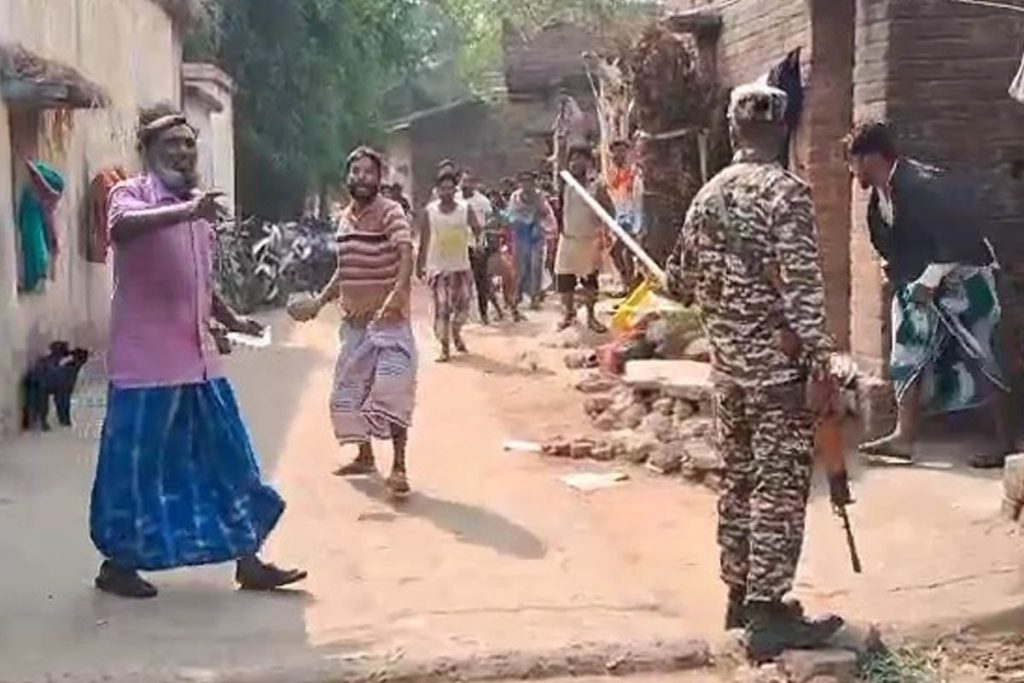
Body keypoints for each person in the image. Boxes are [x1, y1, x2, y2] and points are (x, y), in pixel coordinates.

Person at [89, 103, 306, 599]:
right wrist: (190, 210)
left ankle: (249, 559)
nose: (184, 152)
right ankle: (118, 564)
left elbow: (201, 285)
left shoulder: (197, 210)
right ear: (147, 151)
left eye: (189, 143)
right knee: (136, 471)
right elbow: (121, 227)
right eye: (172, 144)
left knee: (232, 461)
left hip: (199, 361)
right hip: (145, 368)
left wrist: (232, 320)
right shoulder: (131, 195)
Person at [665, 83, 843, 662]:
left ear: (733, 129)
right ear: (783, 128)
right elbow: (804, 292)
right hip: (778, 376)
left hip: (729, 375)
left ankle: (739, 596)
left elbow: (678, 282)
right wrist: (821, 363)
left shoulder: (707, 197)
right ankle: (768, 613)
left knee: (738, 483)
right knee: (779, 488)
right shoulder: (786, 194)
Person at [846, 122, 1011, 468]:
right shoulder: (880, 198)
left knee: (983, 353)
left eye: (854, 161)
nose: (852, 170)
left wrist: (931, 278)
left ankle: (1005, 442)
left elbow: (959, 233)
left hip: (966, 275)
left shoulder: (920, 184)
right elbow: (893, 243)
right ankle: (904, 436)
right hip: (920, 281)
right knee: (908, 349)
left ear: (871, 158)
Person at [288, 147, 417, 497]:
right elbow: (344, 269)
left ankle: (399, 467)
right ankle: (365, 456)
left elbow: (406, 252)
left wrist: (398, 292)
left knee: (391, 393)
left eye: (368, 172)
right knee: (349, 393)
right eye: (355, 171)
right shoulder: (344, 218)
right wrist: (318, 302)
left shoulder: (390, 212)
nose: (361, 178)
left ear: (379, 178)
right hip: (355, 325)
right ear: (348, 177)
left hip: (389, 324)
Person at [417, 171, 481, 361]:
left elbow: (477, 228)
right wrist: (419, 264)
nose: (446, 192)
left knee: (463, 309)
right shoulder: (430, 211)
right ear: (437, 191)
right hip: (438, 267)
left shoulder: (465, 209)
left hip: (461, 266)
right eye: (442, 189)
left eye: (449, 188)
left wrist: (477, 242)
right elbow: (424, 239)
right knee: (442, 308)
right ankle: (444, 347)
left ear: (455, 190)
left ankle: (456, 331)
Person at [555, 144, 613, 333]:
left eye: (580, 158)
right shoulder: (565, 182)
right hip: (568, 239)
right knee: (565, 280)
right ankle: (568, 314)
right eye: (572, 159)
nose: (575, 163)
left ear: (588, 162)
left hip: (590, 240)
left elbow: (609, 210)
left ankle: (591, 316)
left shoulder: (597, 185)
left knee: (590, 281)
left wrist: (606, 232)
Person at [507, 171, 555, 313]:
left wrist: (539, 219)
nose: (526, 184)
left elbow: (546, 214)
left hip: (536, 234)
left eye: (529, 181)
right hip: (521, 235)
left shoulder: (540, 197)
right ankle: (517, 295)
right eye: (523, 181)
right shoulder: (515, 197)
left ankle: (535, 297)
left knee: (536, 266)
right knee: (520, 267)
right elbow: (510, 216)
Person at [606, 139, 644, 296]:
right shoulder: (614, 174)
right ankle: (628, 284)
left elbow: (637, 199)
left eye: (621, 151)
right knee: (617, 253)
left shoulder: (635, 174)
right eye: (615, 153)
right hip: (620, 219)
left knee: (626, 253)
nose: (617, 155)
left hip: (634, 219)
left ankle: (630, 287)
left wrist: (637, 223)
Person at [461, 170, 498, 324]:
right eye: (463, 181)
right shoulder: (455, 199)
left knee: (481, 281)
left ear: (474, 184)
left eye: (469, 181)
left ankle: (484, 314)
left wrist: (487, 242)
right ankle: (461, 314)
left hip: (478, 245)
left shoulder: (483, 201)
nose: (465, 185)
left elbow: (491, 221)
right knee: (458, 280)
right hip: (457, 246)